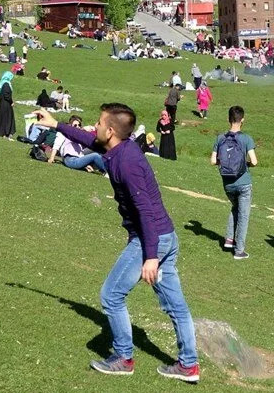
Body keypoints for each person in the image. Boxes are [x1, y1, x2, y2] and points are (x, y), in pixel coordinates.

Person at [32, 106, 200, 382]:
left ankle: (123, 358)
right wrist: (56, 124)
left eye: (98, 123)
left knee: (111, 296)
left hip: (151, 240)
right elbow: (90, 140)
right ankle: (188, 366)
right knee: (176, 305)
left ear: (111, 131)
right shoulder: (122, 148)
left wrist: (150, 257)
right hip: (166, 236)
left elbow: (144, 210)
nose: (94, 127)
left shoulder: (126, 163)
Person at [211, 106, 258, 260]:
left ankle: (229, 240)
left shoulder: (220, 138)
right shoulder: (246, 138)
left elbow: (213, 161)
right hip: (244, 182)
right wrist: (244, 165)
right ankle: (239, 251)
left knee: (235, 207)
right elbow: (255, 161)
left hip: (228, 183)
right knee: (244, 215)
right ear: (242, 119)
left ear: (228, 119)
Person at [0, 71, 15, 139]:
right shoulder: (6, 84)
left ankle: (2, 132)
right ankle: (5, 132)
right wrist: (11, 101)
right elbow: (7, 95)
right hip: (6, 104)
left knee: (2, 118)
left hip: (2, 103)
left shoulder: (2, 83)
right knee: (6, 118)